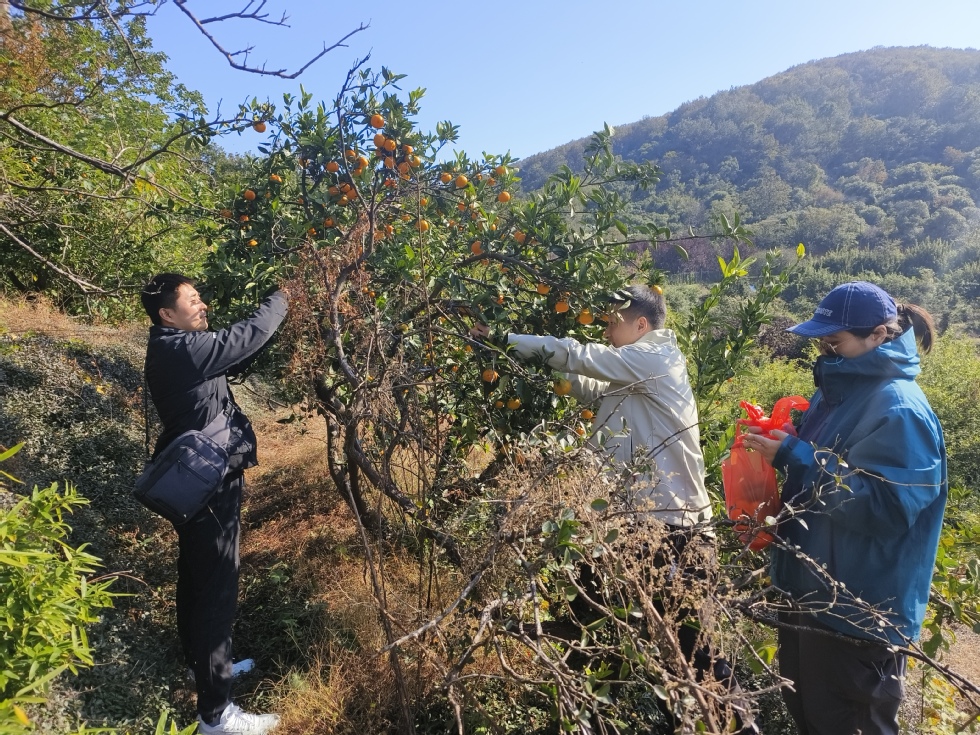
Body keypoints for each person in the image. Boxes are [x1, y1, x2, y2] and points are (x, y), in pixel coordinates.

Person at [481, 285, 756, 732]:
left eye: (613, 323)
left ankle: (737, 726)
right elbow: (592, 385)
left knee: (696, 654)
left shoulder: (656, 357)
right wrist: (541, 368)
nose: (607, 331)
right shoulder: (637, 367)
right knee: (658, 647)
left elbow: (582, 356)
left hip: (675, 531)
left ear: (641, 325)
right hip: (640, 526)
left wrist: (505, 340)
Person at [742, 281, 947, 735]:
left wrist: (796, 456)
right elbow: (828, 462)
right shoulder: (838, 391)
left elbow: (887, 509)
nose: (826, 352)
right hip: (811, 595)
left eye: (835, 342)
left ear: (878, 335)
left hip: (858, 613)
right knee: (811, 718)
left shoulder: (899, 409)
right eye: (821, 342)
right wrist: (788, 441)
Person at [141, 274, 289, 735]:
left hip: (196, 479)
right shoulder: (184, 349)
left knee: (196, 576)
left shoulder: (174, 345)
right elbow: (249, 334)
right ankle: (216, 715)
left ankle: (202, 665)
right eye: (192, 300)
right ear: (168, 314)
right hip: (208, 484)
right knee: (216, 590)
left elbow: (240, 352)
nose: (202, 304)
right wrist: (283, 296)